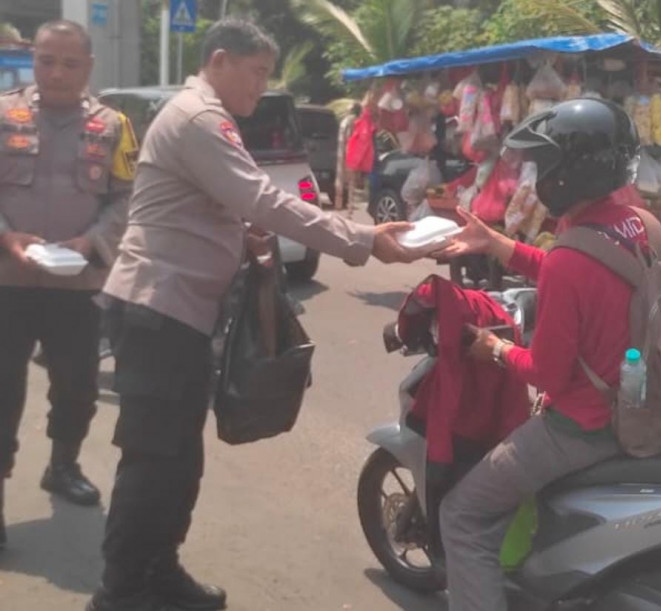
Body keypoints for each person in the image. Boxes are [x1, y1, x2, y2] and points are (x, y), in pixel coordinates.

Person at [87, 19, 418, 611]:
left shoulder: (205, 117)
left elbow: (226, 208)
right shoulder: (199, 119)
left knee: (178, 459)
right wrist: (362, 239)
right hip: (157, 313)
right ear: (220, 60)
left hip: (176, 316)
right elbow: (262, 197)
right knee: (153, 459)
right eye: (257, 72)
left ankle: (158, 573)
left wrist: (242, 235)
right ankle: (118, 595)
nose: (262, 88)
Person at [435, 98, 655, 611]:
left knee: (462, 516)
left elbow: (546, 373)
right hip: (643, 406)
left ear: (566, 174)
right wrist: (495, 244)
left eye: (542, 166)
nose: (535, 179)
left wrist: (494, 348)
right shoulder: (641, 224)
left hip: (583, 428)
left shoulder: (570, 257)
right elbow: (582, 270)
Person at [0, 21, 137, 549]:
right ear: (34, 60)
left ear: (89, 67)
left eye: (69, 63)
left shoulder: (115, 126)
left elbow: (127, 197)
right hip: (7, 282)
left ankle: (63, 464)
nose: (56, 72)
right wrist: (7, 237)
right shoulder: (4, 112)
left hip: (78, 285)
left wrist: (90, 243)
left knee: (78, 387)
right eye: (46, 60)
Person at [334, 101, 361, 215]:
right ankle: (349, 209)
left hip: (341, 153)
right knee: (351, 182)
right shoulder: (353, 121)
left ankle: (338, 206)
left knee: (340, 180)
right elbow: (352, 138)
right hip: (350, 153)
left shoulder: (344, 121)